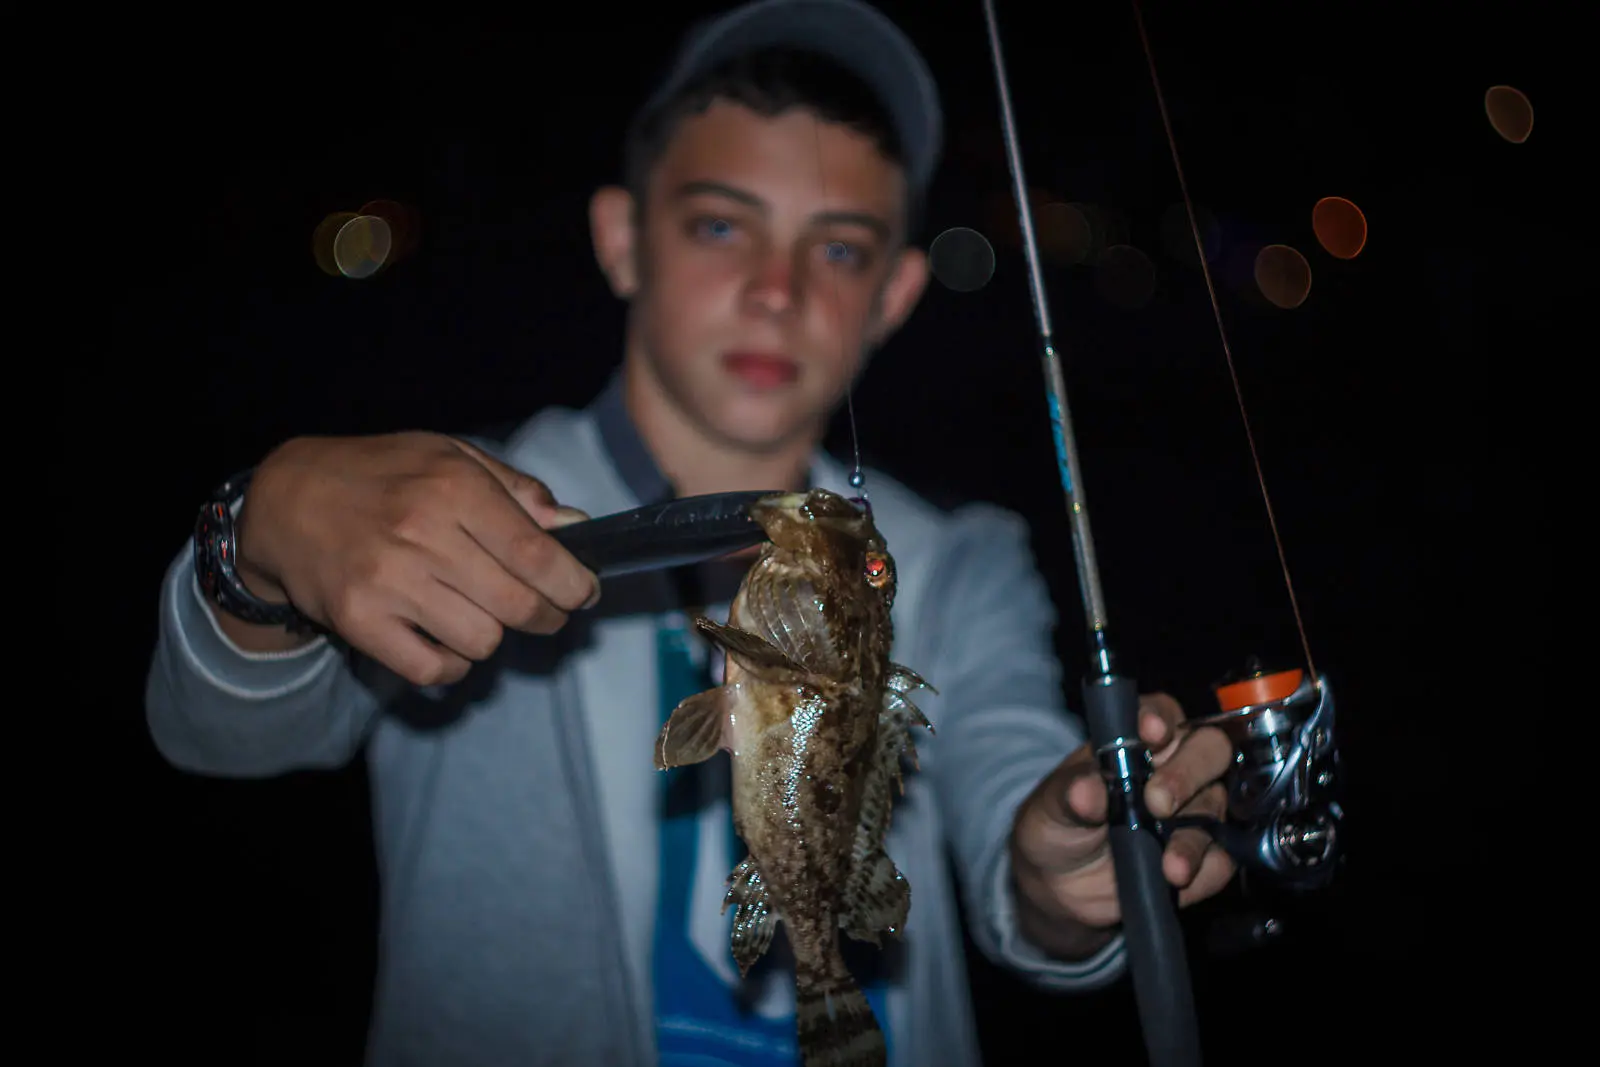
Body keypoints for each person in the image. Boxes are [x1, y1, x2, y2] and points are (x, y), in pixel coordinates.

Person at [145, 1, 1238, 1064]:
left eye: (840, 249)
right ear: (622, 239)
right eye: (721, 225)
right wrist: (261, 539)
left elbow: (1014, 810)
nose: (777, 290)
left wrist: (1064, 867)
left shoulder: (958, 560)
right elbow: (223, 734)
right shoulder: (448, 516)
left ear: (897, 294)